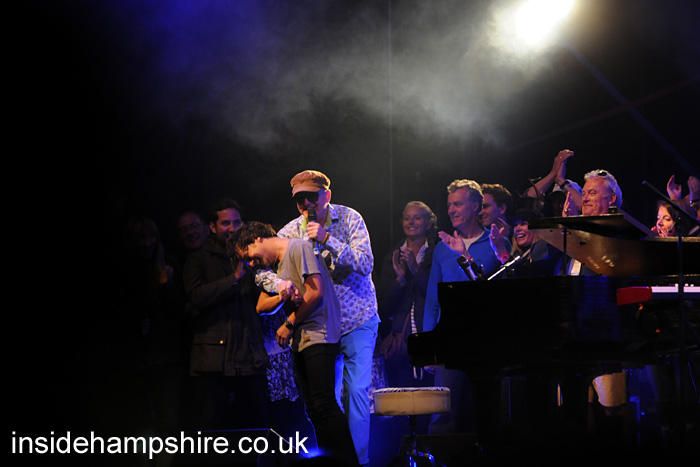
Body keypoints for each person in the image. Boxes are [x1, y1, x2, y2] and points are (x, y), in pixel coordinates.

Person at [255, 170, 379, 467]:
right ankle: (336, 461)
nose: (306, 205)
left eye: (312, 197)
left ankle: (360, 462)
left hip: (356, 318)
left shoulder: (349, 218)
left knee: (356, 392)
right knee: (324, 401)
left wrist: (327, 240)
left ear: (327, 195)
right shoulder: (289, 232)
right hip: (320, 325)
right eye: (300, 200)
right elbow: (261, 272)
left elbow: (365, 263)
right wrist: (282, 285)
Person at [231, 221, 359, 465]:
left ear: (256, 238)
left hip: (319, 332)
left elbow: (316, 292)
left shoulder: (297, 248)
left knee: (325, 404)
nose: (251, 264)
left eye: (248, 256)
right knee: (314, 409)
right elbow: (261, 306)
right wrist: (282, 294)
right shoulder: (276, 266)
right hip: (302, 339)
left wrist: (289, 323)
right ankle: (332, 462)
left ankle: (348, 462)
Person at [423, 179, 508, 441]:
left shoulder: (496, 242)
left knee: (486, 409)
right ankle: (440, 456)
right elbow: (433, 297)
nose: (451, 210)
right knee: (442, 412)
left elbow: (504, 291)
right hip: (450, 339)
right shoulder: (442, 247)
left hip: (487, 339)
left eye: (458, 204)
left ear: (476, 206)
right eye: (449, 205)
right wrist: (428, 344)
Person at [182, 198, 269, 431]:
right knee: (213, 432)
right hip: (212, 362)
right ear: (212, 227)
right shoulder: (198, 258)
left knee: (256, 431)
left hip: (250, 357)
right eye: (225, 223)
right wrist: (235, 278)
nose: (232, 228)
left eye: (237, 222)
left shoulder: (252, 254)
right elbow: (196, 296)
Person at [562, 170, 633, 444]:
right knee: (581, 410)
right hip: (573, 337)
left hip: (606, 336)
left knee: (613, 410)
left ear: (611, 198)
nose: (586, 198)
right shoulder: (573, 234)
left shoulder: (618, 233)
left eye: (593, 192)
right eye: (584, 192)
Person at [376, 201, 438, 388]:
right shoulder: (392, 257)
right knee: (403, 397)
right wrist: (400, 279)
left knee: (432, 396)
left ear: (429, 223)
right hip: (401, 344)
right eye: (407, 218)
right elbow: (384, 307)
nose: (411, 222)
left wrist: (415, 269)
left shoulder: (438, 252)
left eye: (417, 218)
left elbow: (437, 295)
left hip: (431, 338)